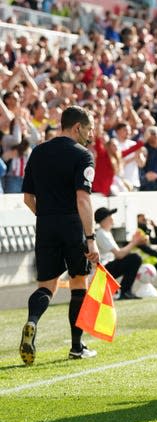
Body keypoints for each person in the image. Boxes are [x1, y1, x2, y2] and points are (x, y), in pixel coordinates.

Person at [19, 105, 100, 365]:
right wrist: (91, 238)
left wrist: (47, 218)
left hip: (45, 223)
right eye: (88, 129)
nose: (90, 135)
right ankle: (77, 347)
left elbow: (28, 198)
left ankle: (32, 322)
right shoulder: (82, 155)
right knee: (79, 283)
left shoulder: (38, 151)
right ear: (77, 127)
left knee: (46, 286)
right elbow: (83, 200)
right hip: (72, 225)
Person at [94, 207, 145, 300]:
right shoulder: (101, 233)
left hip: (106, 268)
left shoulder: (105, 233)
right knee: (135, 258)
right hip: (103, 270)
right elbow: (119, 255)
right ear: (104, 219)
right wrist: (134, 242)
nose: (112, 218)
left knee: (134, 258)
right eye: (110, 216)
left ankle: (123, 291)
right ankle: (124, 291)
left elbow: (119, 254)